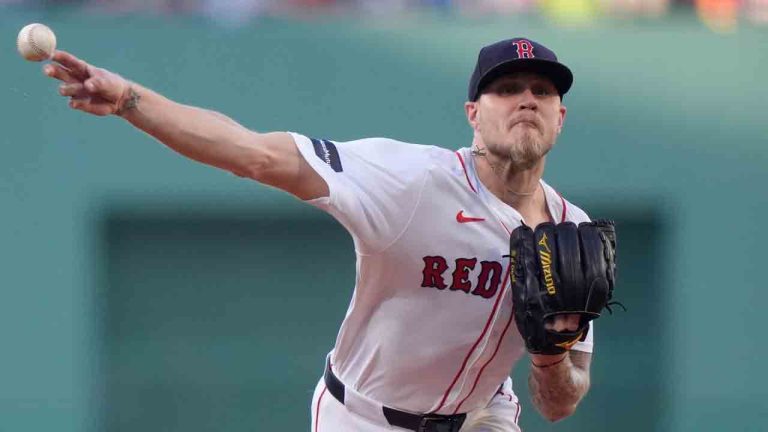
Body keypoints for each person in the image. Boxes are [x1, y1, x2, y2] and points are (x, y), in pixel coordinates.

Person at [44, 37, 595, 431]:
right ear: (474, 113)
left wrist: (551, 356)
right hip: (363, 417)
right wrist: (129, 102)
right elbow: (254, 154)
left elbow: (559, 404)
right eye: (507, 88)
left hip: (481, 416)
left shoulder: (576, 235)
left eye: (542, 91)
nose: (526, 99)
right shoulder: (410, 180)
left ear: (561, 116)